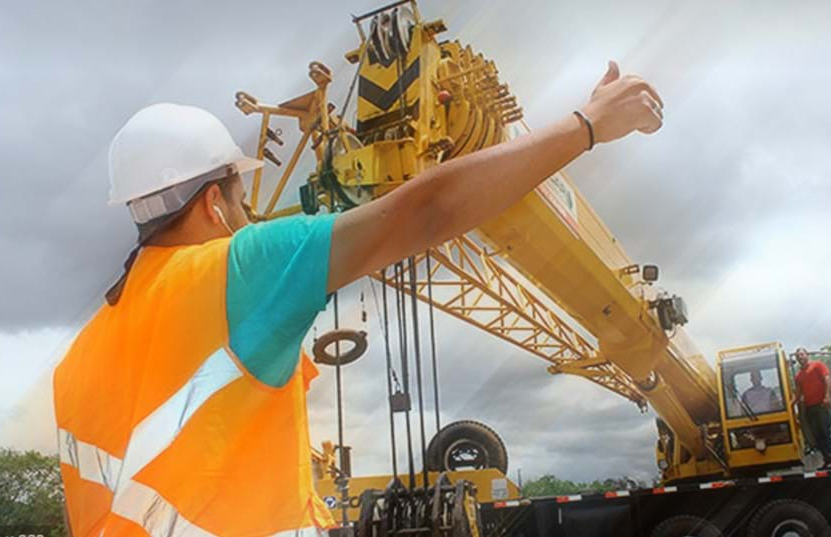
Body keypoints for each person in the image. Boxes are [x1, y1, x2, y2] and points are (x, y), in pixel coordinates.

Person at [53, 61, 664, 536]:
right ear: (214, 202)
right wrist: (586, 125)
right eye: (241, 202)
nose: (248, 217)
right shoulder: (239, 269)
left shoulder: (77, 361)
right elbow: (427, 211)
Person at [792, 347, 831, 470]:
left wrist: (827, 396)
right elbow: (797, 394)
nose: (800, 357)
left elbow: (827, 379)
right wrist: (788, 405)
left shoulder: (818, 365)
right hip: (810, 407)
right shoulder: (798, 376)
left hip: (822, 404)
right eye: (798, 356)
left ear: (807, 354)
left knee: (826, 432)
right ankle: (827, 460)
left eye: (802, 354)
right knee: (817, 435)